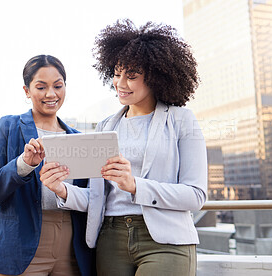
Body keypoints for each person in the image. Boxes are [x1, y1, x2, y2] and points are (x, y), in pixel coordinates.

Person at [40, 19, 207, 276]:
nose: (120, 83)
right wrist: (61, 190)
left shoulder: (182, 120)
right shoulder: (107, 126)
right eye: (117, 74)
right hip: (111, 239)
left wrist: (135, 185)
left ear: (156, 77)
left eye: (131, 76)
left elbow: (195, 195)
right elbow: (97, 198)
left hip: (166, 242)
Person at [0, 55, 95, 276]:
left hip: (71, 248)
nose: (51, 94)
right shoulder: (8, 127)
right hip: (18, 246)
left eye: (58, 86)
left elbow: (93, 198)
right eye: (41, 87)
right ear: (27, 91)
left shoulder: (78, 139)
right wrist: (23, 165)